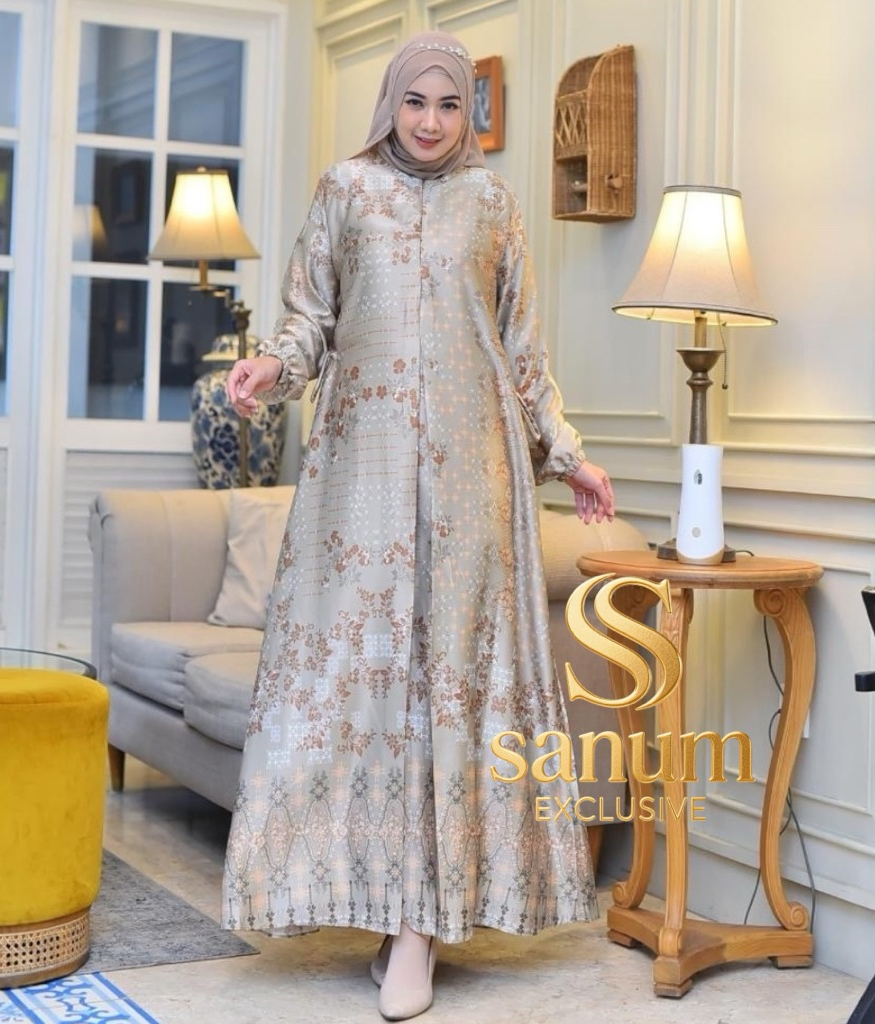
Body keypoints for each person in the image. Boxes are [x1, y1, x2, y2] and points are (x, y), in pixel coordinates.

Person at [221, 30, 616, 1021]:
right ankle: (378, 905)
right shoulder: (345, 190)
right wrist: (272, 366)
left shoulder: (494, 203)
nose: (431, 121)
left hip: (473, 476)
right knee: (359, 679)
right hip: (362, 474)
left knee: (453, 686)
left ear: (464, 113)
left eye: (448, 104)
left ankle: (419, 930)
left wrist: (567, 451)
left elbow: (522, 349)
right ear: (390, 105)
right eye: (415, 102)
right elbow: (310, 319)